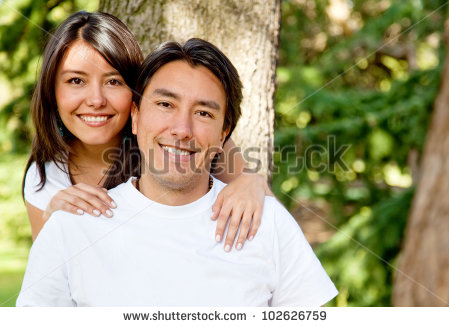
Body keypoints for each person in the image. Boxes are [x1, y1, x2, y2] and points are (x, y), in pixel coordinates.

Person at [17, 38, 338, 306]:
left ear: (224, 133)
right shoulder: (71, 224)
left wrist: (251, 181)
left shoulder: (268, 223)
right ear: (136, 116)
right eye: (166, 105)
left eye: (202, 112)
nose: (182, 130)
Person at [22, 11, 271, 251]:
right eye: (76, 81)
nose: (96, 100)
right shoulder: (45, 176)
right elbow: (54, 280)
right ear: (51, 91)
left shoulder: (176, 143)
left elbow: (260, 198)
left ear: (136, 95)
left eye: (113, 81)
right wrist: (55, 222)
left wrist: (253, 183)